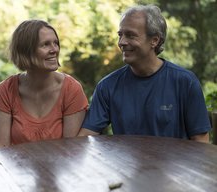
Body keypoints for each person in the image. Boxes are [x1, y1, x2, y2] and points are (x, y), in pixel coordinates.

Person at [79, 4, 211, 143]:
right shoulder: (107, 86)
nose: (122, 42)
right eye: (120, 35)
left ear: (154, 40)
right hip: (125, 165)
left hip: (174, 165)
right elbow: (86, 136)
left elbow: (200, 141)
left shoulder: (185, 82)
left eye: (130, 35)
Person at [0, 19, 88, 148]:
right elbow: (1, 149)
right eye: (45, 45)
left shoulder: (71, 89)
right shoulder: (5, 90)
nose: (54, 50)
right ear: (26, 51)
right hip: (16, 167)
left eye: (56, 43)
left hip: (61, 167)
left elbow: (70, 150)